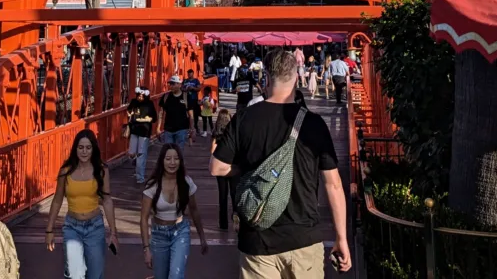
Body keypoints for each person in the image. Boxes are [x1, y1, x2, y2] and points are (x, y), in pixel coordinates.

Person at [211, 49, 351, 276]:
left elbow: (216, 167)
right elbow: (333, 184)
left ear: (266, 77)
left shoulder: (244, 118)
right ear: (296, 78)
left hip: (257, 240)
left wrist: (246, 169)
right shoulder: (314, 124)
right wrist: (341, 238)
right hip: (303, 238)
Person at [45, 128, 118, 279]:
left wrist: (113, 232)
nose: (84, 151)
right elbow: (57, 200)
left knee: (95, 275)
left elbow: (107, 200)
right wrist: (49, 230)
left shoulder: (101, 170)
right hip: (72, 227)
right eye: (81, 147)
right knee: (75, 274)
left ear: (93, 149)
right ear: (75, 149)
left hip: (95, 227)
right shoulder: (65, 171)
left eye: (88, 148)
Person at [141, 143, 208, 279]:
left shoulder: (186, 182)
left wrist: (202, 238)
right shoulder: (153, 185)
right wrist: (146, 249)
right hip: (159, 234)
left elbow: (194, 210)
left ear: (180, 161)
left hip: (180, 232)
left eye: (176, 158)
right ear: (162, 161)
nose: (172, 162)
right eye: (168, 159)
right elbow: (143, 218)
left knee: (176, 275)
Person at [127, 86, 157, 184]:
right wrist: (130, 113)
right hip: (134, 130)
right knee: (131, 154)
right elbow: (128, 111)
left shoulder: (150, 104)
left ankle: (140, 177)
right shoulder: (133, 102)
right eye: (138, 95)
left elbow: (154, 118)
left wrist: (148, 119)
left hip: (144, 131)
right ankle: (136, 164)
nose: (140, 97)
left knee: (141, 154)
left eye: (142, 96)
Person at [210, 109, 234, 231]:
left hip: (220, 168)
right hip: (232, 167)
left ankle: (223, 223)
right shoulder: (233, 133)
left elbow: (212, 150)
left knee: (222, 196)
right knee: (234, 195)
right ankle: (236, 218)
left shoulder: (216, 134)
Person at [158, 74, 194, 147]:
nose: (171, 86)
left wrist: (192, 129)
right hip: (168, 129)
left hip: (182, 129)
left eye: (173, 84)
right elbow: (161, 113)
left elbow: (191, 114)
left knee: (179, 151)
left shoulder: (186, 96)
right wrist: (158, 128)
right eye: (170, 84)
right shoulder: (165, 97)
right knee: (168, 151)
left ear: (179, 85)